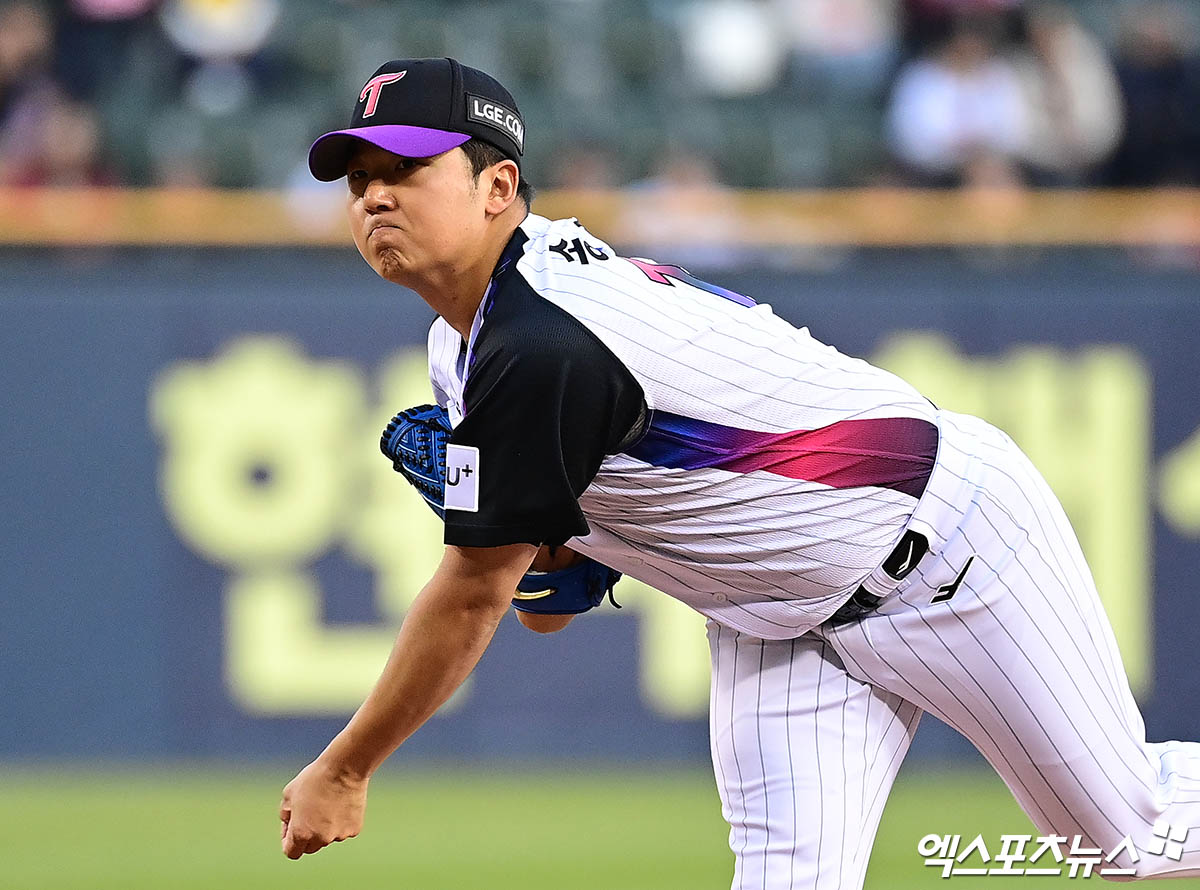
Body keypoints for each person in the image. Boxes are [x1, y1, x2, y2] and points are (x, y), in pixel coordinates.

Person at [280, 57, 1200, 885]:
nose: (375, 197)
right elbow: (549, 602)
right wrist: (548, 549)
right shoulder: (465, 346)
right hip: (779, 618)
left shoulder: (543, 339)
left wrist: (347, 768)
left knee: (1132, 836)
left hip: (949, 549)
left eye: (406, 169)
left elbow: (472, 597)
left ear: (498, 186)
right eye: (359, 179)